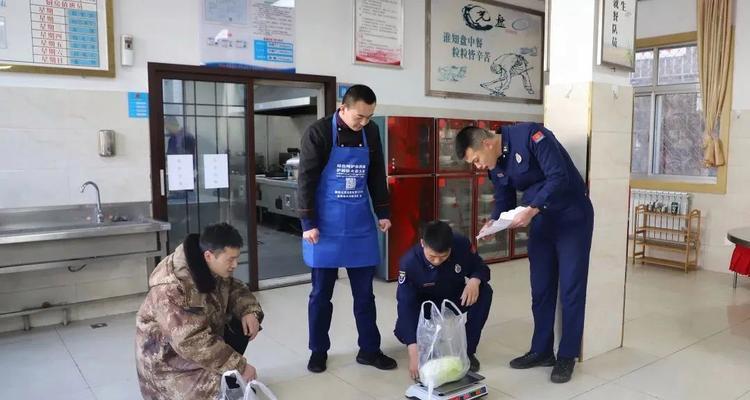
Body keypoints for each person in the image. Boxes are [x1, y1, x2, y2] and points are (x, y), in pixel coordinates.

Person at [455, 123, 594, 383]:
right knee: (540, 288)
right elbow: (504, 196)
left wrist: (532, 208)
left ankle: (567, 355)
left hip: (572, 217)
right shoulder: (495, 162)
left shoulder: (531, 136)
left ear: (486, 144)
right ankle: (541, 350)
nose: (478, 166)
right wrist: (495, 222)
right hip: (541, 221)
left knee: (571, 289)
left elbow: (558, 176)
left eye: (476, 160)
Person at [296, 84, 396, 373]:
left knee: (365, 295)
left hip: (359, 224)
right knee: (320, 295)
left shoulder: (371, 132)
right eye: (359, 117)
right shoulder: (319, 132)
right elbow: (306, 179)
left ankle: (370, 349)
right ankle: (318, 350)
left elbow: (377, 174)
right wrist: (308, 223)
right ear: (343, 108)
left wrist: (383, 211)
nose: (364, 122)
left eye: (369, 117)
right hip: (324, 226)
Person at [135, 223, 264, 399]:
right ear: (209, 256)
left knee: (247, 321)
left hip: (194, 345)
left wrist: (249, 311)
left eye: (236, 258)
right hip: (168, 361)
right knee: (222, 386)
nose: (235, 265)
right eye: (230, 260)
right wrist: (239, 366)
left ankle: (224, 373)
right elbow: (191, 341)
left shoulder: (209, 264)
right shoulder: (173, 288)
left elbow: (235, 288)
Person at [395, 221, 492, 380]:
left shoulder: (461, 244)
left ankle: (467, 351)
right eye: (432, 256)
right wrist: (413, 351)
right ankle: (423, 343)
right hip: (424, 304)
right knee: (403, 332)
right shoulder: (409, 263)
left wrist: (475, 280)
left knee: (485, 292)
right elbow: (406, 306)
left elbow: (480, 267)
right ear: (422, 244)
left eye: (443, 256)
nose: (437, 261)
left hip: (454, 296)